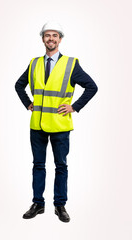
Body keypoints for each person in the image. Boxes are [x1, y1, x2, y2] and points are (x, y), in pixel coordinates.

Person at [15, 21, 98, 223]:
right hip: (38, 125)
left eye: (54, 35)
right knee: (38, 165)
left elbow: (91, 87)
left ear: (60, 39)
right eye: (47, 35)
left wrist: (74, 106)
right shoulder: (34, 63)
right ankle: (38, 204)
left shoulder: (71, 64)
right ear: (43, 39)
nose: (50, 39)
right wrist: (28, 103)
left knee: (61, 166)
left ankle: (60, 205)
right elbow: (19, 85)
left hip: (60, 126)